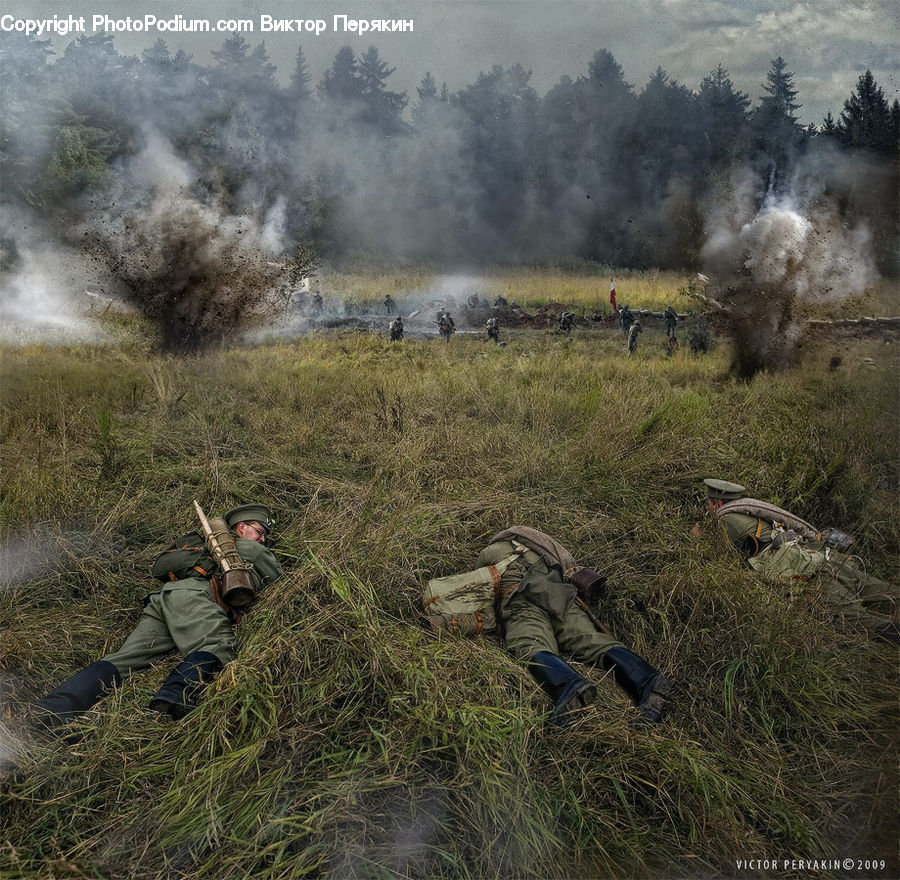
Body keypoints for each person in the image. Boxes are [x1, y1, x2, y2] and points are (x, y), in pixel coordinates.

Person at [33, 504, 284, 733]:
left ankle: (55, 708)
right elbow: (283, 583)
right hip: (193, 598)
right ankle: (175, 699)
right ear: (242, 527)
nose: (263, 539)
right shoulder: (251, 548)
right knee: (217, 645)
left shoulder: (203, 545)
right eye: (260, 531)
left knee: (124, 660)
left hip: (164, 599)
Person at [476, 526, 671, 727]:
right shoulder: (540, 546)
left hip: (521, 598)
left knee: (530, 643)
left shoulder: (489, 552)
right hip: (560, 594)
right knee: (589, 639)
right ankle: (647, 679)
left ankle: (569, 686)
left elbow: (480, 586)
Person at [698, 479, 899, 642]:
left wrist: (698, 535)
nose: (706, 507)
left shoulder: (724, 520)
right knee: (880, 589)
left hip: (811, 576)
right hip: (823, 557)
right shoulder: (748, 509)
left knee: (854, 620)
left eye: (707, 503)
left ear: (718, 504)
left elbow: (712, 558)